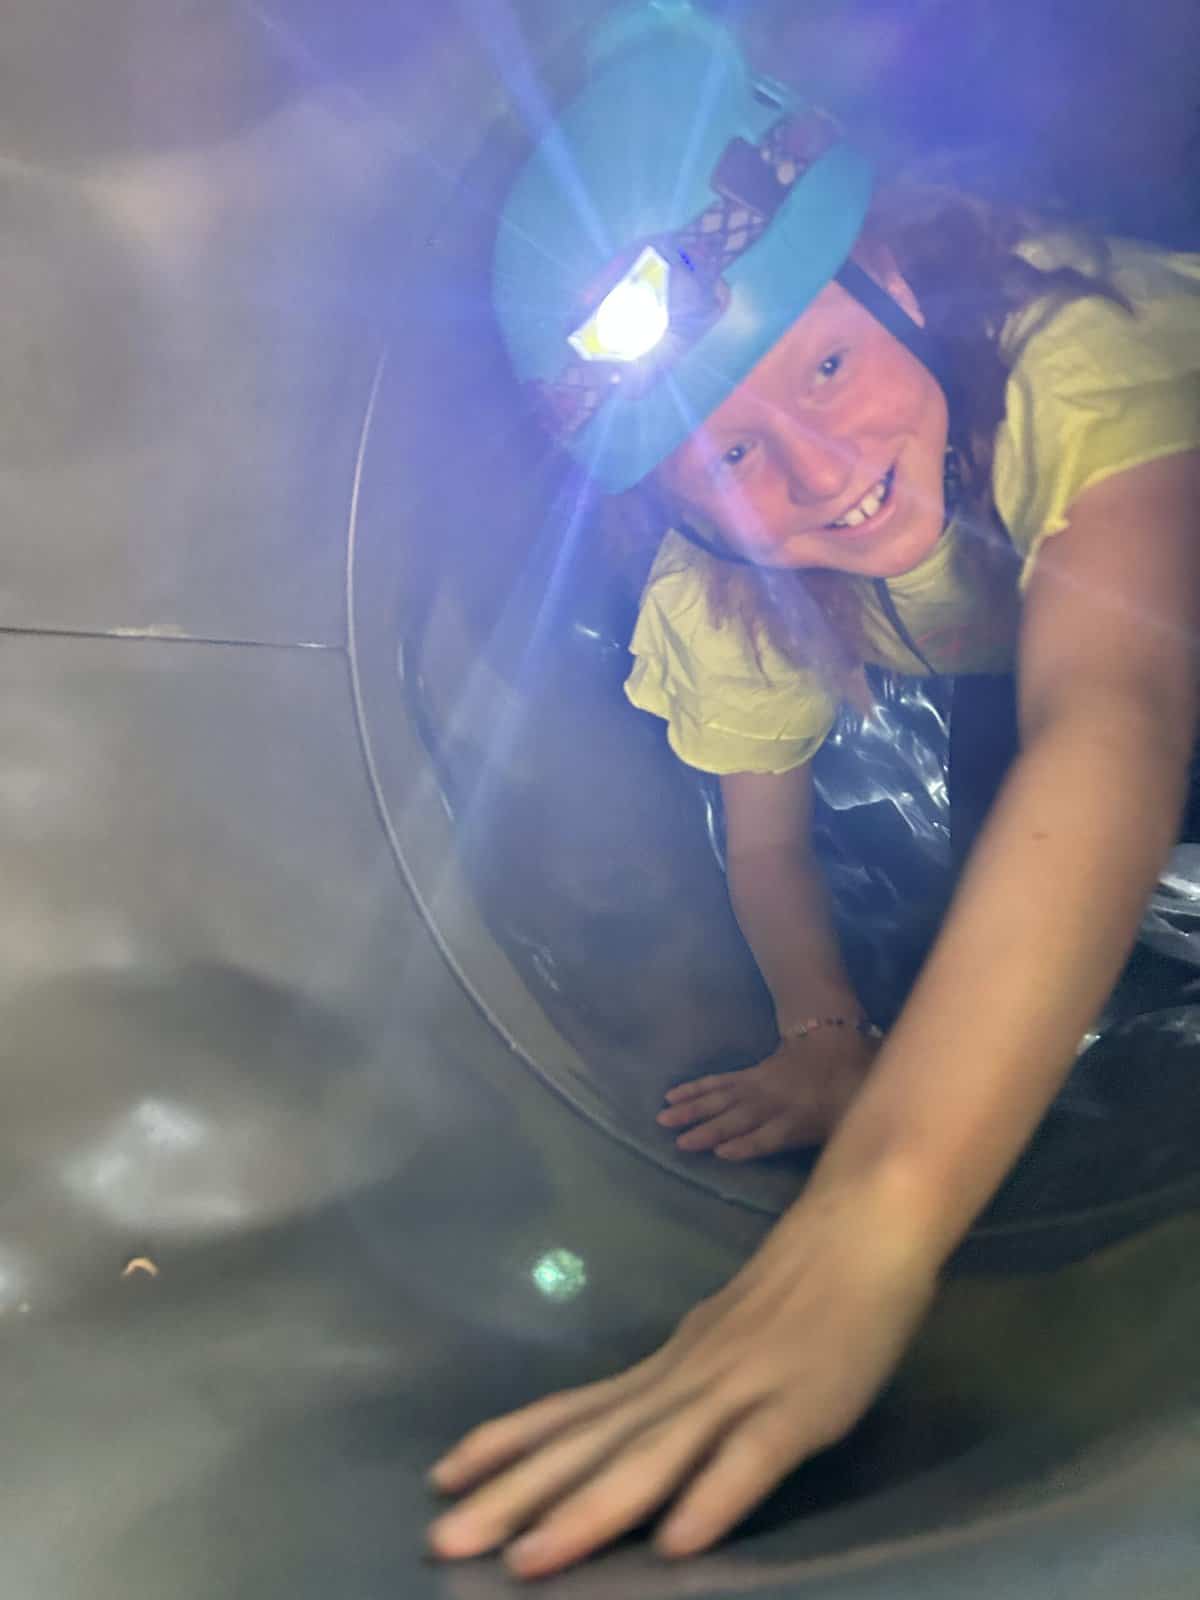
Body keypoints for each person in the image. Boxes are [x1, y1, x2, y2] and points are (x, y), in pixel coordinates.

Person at [427, 0, 1200, 1579]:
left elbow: (1113, 716)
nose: (819, 471)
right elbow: (763, 836)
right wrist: (824, 1037)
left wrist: (874, 1224)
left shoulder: (1071, 351)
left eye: (828, 362)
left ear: (897, 273)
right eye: (725, 457)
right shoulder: (725, 583)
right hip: (1021, 611)